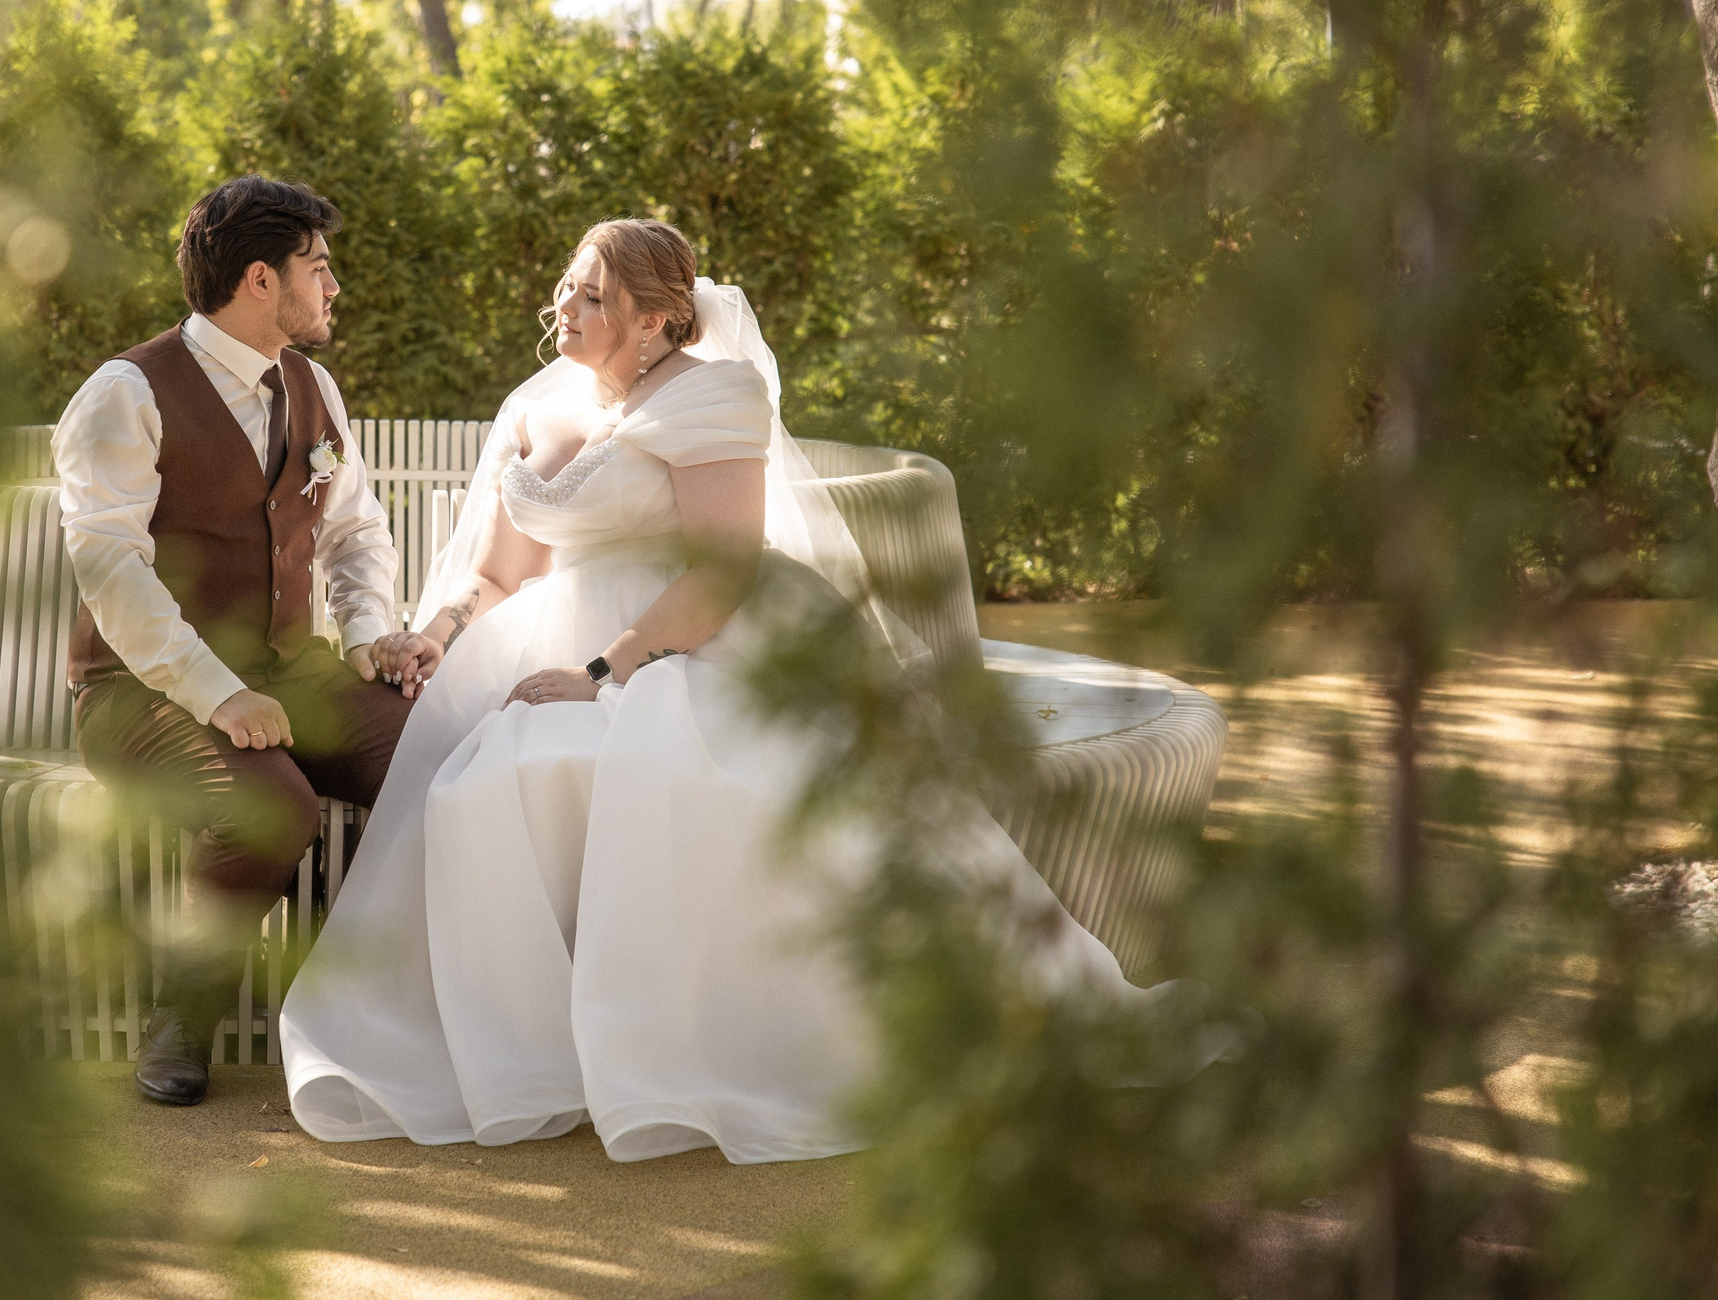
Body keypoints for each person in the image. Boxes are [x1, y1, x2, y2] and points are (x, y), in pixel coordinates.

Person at [277, 218, 1181, 1164]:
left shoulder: (715, 396)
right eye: (567, 286)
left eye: (593, 297)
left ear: (660, 321)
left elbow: (721, 572)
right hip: (545, 635)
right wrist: (433, 634)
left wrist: (602, 673)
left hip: (693, 646)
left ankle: (691, 1046)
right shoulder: (539, 403)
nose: (565, 307)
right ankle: (536, 1055)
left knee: (670, 776)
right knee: (475, 786)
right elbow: (500, 576)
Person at [55, 176, 444, 1108]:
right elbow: (112, 571)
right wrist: (216, 692)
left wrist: (367, 637)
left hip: (288, 676)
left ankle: (378, 1018)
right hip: (139, 695)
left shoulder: (313, 387)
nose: (334, 285)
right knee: (274, 802)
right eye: (321, 267)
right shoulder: (127, 394)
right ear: (262, 281)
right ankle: (182, 1015)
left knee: (434, 756)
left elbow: (355, 534)